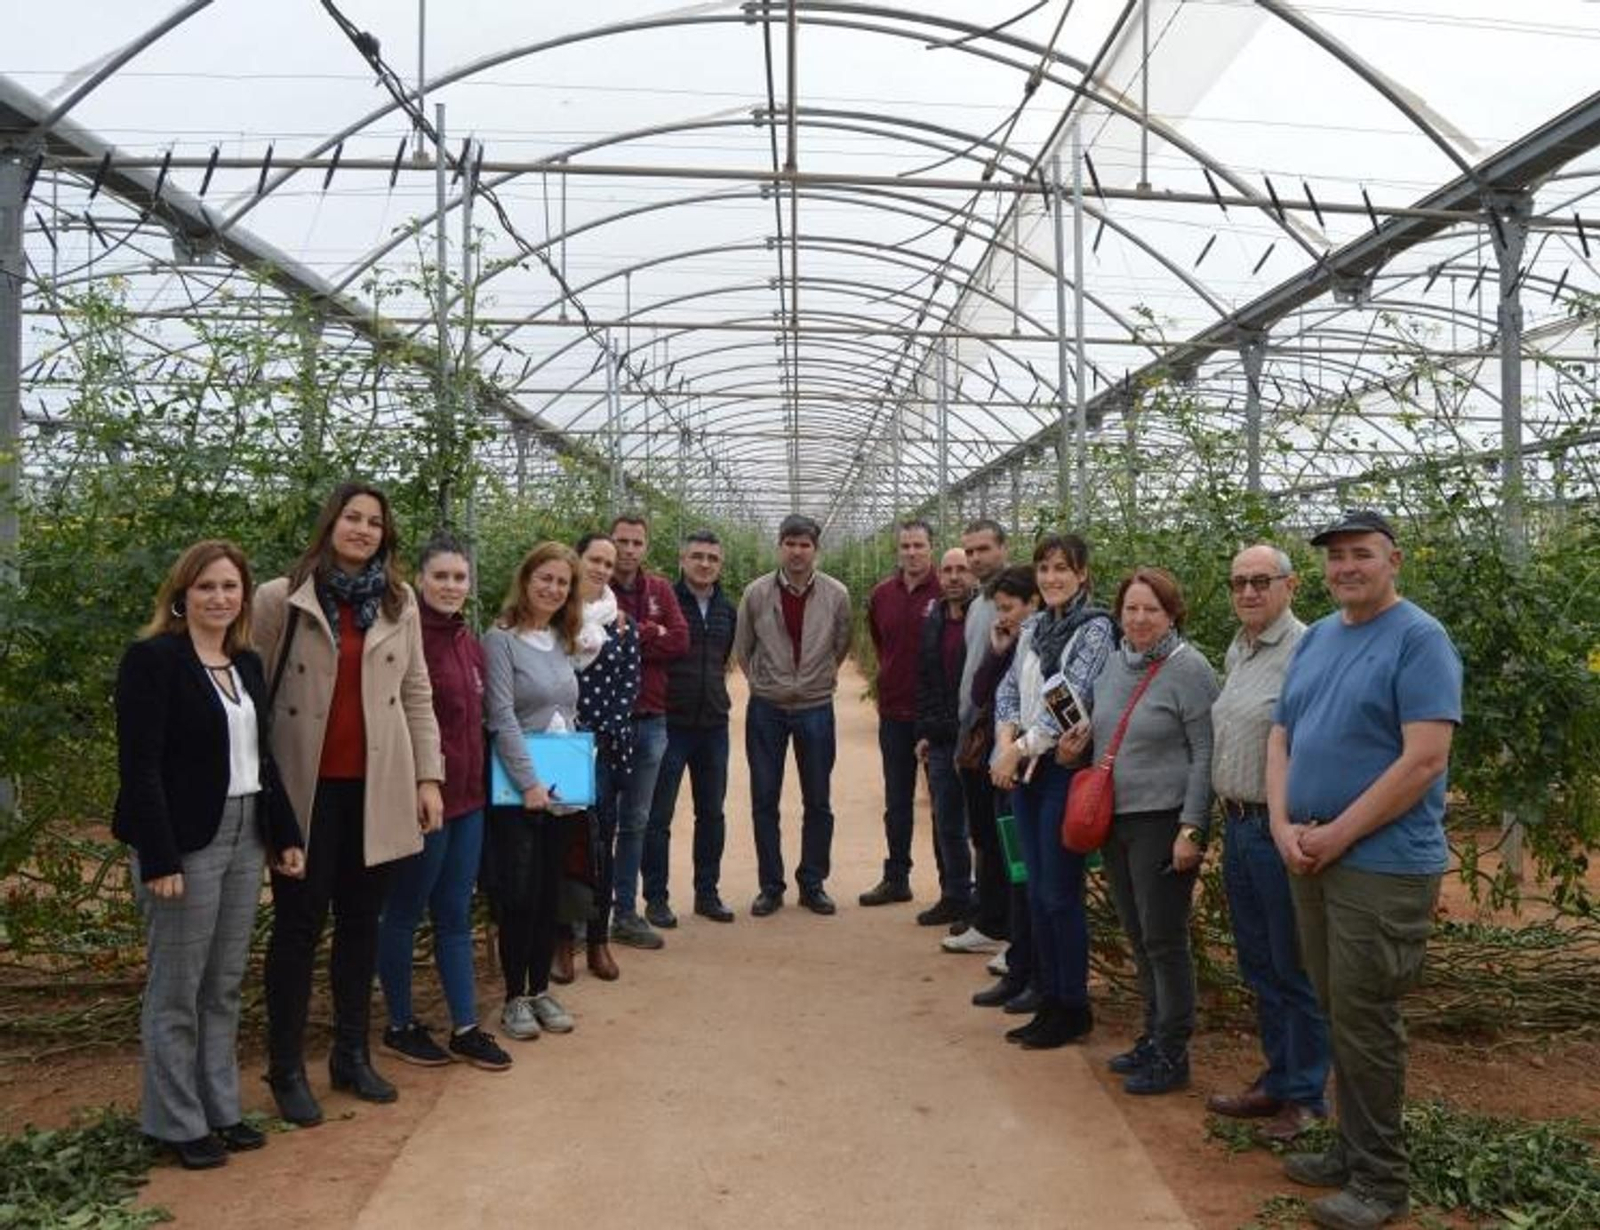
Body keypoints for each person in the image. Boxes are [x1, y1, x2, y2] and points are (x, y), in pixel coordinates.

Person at [1268, 510, 1460, 1230]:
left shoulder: (1420, 639)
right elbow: (1282, 734)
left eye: (1361, 555)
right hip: (1313, 854)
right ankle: (1350, 1152)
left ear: (1394, 560)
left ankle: (1381, 1182)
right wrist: (1286, 824)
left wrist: (1339, 834)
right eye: (1335, 557)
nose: (1346, 566)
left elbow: (1424, 761)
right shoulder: (1318, 637)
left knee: (1367, 1019)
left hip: (1379, 866)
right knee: (1338, 1010)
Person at [255, 483, 445, 1127]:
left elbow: (416, 692)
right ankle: (284, 1067)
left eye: (374, 522)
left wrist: (428, 778)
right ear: (330, 523)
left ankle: (350, 1055)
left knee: (361, 923)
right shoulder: (282, 599)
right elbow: (253, 693)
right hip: (307, 791)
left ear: (386, 535)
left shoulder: (400, 602)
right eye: (352, 518)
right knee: (298, 928)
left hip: (376, 787)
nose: (363, 529)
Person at [114, 541, 305, 1168]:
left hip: (246, 831)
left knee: (223, 984)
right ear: (181, 595)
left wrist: (285, 835)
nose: (220, 598)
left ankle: (220, 1108)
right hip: (184, 839)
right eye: (206, 587)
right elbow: (139, 768)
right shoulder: (153, 661)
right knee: (177, 987)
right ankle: (175, 1121)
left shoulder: (244, 663)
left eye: (230, 587)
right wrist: (160, 856)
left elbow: (263, 761)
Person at [375, 534, 512, 1073]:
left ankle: (465, 1027)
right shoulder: (407, 640)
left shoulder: (467, 641)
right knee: (404, 911)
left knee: (455, 913)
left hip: (469, 801)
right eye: (441, 577)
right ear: (419, 581)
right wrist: (415, 786)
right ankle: (399, 1024)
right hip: (423, 801)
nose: (452, 586)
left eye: (459, 577)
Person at [1208, 544, 1327, 1141]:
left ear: (1290, 586)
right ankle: (1278, 1079)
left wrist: (1295, 822)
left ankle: (1305, 1097)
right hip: (1238, 825)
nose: (1248, 593)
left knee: (1294, 966)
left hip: (1277, 828)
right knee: (1260, 963)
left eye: (1260, 582)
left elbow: (1313, 742)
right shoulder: (1241, 647)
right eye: (1238, 583)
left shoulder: (1306, 650)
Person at [1087, 567, 1219, 1095]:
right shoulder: (1114, 663)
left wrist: (1192, 826)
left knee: (1164, 938)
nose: (1140, 619)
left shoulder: (1190, 669)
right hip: (1116, 819)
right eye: (1132, 608)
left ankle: (1173, 1050)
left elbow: (1206, 752)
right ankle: (1151, 1033)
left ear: (1172, 615)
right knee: (1138, 934)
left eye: (1152, 610)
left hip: (1162, 820)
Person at [990, 535, 1116, 1050]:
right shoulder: (1037, 625)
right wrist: (1005, 740)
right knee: (1037, 890)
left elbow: (1072, 705)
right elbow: (1008, 691)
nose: (1051, 578)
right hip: (1028, 774)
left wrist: (1017, 749)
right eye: (1044, 568)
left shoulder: (1095, 630)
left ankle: (1072, 1005)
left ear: (1083, 574)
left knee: (1060, 895)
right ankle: (1049, 998)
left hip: (1063, 772)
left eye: (1062, 568)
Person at [481, 543, 589, 1041]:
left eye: (562, 582)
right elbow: (501, 715)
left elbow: (566, 712)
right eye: (545, 578)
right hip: (520, 788)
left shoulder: (559, 638)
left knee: (549, 892)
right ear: (525, 580)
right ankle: (514, 997)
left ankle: (541, 987)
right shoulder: (500, 640)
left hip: (561, 787)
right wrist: (528, 783)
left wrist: (578, 768)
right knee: (519, 892)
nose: (552, 588)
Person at [735, 512, 853, 917]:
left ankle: (812, 882)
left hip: (816, 708)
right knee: (764, 798)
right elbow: (743, 649)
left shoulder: (836, 595)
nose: (797, 551)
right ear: (780, 546)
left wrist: (813, 680)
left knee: (818, 799)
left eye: (805, 545)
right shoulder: (755, 593)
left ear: (815, 550)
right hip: (766, 708)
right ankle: (771, 886)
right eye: (791, 543)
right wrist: (767, 683)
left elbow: (841, 644)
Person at [643, 530, 739, 924]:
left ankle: (707, 892)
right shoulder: (665, 603)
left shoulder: (726, 609)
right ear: (682, 559)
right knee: (658, 815)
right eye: (697, 556)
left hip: (713, 724)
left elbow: (725, 657)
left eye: (712, 558)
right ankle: (656, 897)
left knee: (712, 812)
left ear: (720, 565)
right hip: (671, 721)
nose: (704, 564)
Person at [606, 514, 690, 949]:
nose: (628, 549)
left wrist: (628, 635)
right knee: (597, 820)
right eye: (621, 540)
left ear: (647, 546)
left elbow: (679, 641)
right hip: (602, 724)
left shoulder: (658, 589)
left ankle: (625, 911)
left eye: (637, 542)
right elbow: (590, 640)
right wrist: (647, 633)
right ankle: (589, 914)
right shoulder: (592, 590)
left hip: (650, 718)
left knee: (636, 820)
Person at [569, 531, 641, 982]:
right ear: (577, 560)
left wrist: (605, 735)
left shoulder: (622, 624)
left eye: (608, 564)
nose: (600, 569)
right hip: (558, 744)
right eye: (594, 560)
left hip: (605, 746)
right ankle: (562, 941)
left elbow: (629, 685)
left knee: (601, 845)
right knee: (561, 846)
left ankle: (598, 940)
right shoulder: (555, 616)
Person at [968, 566, 1040, 1011]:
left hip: (1036, 772)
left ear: (1032, 604)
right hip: (1006, 767)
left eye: (1010, 608)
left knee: (1035, 878)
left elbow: (1056, 707)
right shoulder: (1017, 643)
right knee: (1016, 868)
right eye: (999, 609)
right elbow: (986, 694)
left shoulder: (1048, 642)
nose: (1004, 616)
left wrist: (1016, 749)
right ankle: (1019, 964)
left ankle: (1034, 971)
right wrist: (997, 650)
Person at [860, 519, 940, 908]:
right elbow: (881, 642)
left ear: (932, 548)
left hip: (937, 716)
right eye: (905, 546)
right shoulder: (881, 595)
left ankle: (954, 888)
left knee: (944, 802)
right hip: (894, 712)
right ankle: (896, 877)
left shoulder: (948, 590)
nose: (911, 552)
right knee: (897, 799)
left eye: (918, 545)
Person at [943, 519, 1012, 955]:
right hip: (974, 730)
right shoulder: (978, 602)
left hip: (999, 734)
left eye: (983, 549)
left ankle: (1003, 927)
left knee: (1000, 834)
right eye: (969, 552)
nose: (974, 559)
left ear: (1004, 548)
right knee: (984, 833)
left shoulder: (1011, 600)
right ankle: (990, 921)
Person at [912, 547, 978, 926]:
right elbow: (925, 677)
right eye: (949, 570)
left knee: (980, 827)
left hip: (977, 738)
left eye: (962, 570)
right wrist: (924, 730)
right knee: (947, 821)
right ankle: (955, 896)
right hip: (940, 737)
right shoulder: (934, 617)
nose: (954, 577)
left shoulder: (986, 615)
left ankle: (983, 903)